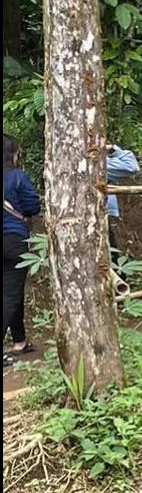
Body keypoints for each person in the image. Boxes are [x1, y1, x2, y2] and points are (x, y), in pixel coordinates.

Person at [3, 134, 41, 363]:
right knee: (10, 293)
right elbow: (32, 206)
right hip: (13, 240)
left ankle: (20, 340)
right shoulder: (17, 177)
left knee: (12, 292)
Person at [105, 142, 140, 266]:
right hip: (97, 215)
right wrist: (113, 149)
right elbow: (131, 167)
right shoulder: (95, 163)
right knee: (108, 257)